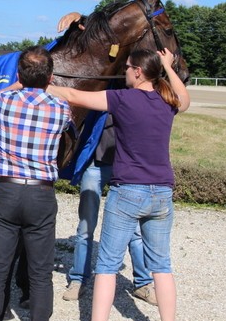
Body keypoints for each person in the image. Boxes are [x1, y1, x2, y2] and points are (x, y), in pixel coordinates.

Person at [47, 47, 190, 321]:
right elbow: (185, 97)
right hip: (162, 193)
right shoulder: (169, 101)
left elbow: (74, 95)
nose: (124, 70)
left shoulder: (123, 100)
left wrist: (39, 84)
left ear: (138, 71)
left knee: (108, 267)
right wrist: (168, 66)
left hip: (128, 193)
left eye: (128, 67)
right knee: (162, 267)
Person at [0, 46, 71, 321]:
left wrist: (22, 81)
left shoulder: (3, 102)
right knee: (41, 274)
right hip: (41, 194)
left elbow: (4, 92)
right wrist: (45, 85)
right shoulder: (60, 109)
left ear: (18, 75)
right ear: (50, 77)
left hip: (6, 192)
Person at [62, 114, 157, 306]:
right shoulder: (105, 88)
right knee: (86, 227)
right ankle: (79, 279)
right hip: (96, 164)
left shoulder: (139, 89)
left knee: (135, 231)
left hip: (128, 166)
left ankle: (143, 283)